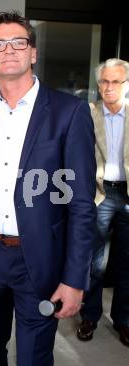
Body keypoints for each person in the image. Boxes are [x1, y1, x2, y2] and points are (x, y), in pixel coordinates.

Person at [0, 11, 96, 365]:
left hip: (40, 259)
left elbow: (82, 204)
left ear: (33, 52)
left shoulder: (69, 112)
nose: (8, 50)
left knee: (34, 358)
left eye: (18, 42)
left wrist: (75, 279)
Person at [77, 58, 129, 347]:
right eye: (104, 82)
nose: (109, 87)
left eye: (116, 81)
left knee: (127, 262)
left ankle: (124, 320)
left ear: (126, 84)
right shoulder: (87, 113)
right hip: (99, 194)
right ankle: (90, 315)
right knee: (94, 262)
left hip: (128, 195)